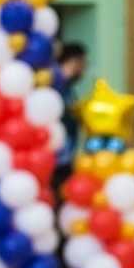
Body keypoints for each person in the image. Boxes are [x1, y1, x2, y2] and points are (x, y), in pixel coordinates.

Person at [50, 41, 88, 190]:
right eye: (83, 63)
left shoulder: (69, 88)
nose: (84, 69)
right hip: (56, 158)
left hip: (66, 158)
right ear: (75, 62)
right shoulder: (56, 83)